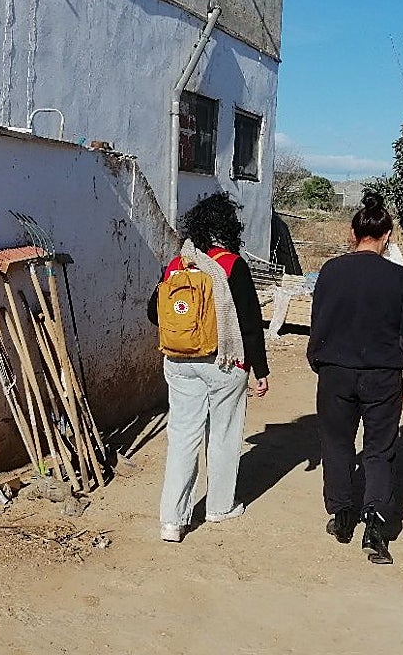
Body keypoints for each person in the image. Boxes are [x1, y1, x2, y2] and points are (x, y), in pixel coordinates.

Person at [306, 192, 403, 565]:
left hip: (335, 373)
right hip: (382, 377)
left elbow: (318, 322)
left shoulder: (330, 271)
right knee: (380, 450)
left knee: (337, 444)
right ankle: (375, 526)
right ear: (386, 235)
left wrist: (320, 362)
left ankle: (341, 517)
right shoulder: (399, 278)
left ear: (353, 232)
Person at [147, 192, 269, 543]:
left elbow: (153, 313)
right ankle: (218, 508)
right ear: (229, 227)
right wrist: (260, 370)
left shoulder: (177, 264)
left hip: (179, 362)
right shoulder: (232, 265)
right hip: (224, 363)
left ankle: (172, 520)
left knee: (182, 438)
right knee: (224, 436)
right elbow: (249, 323)